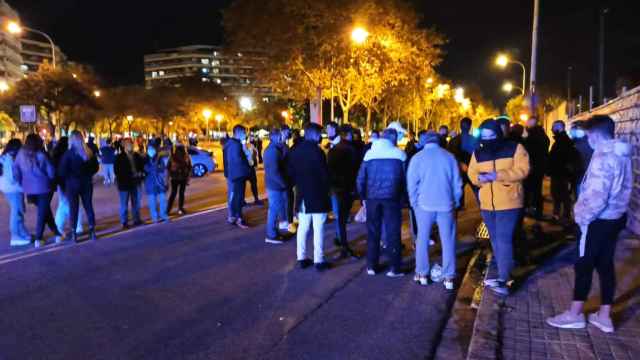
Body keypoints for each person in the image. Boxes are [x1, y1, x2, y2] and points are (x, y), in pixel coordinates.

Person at [546, 115, 632, 334]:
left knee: (583, 264)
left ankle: (574, 315)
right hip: (615, 217)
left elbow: (596, 197)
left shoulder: (604, 157)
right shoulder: (622, 153)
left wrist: (580, 216)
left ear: (596, 134)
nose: (587, 139)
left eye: (588, 135)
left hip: (597, 220)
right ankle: (604, 316)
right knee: (605, 264)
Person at [468, 119, 530, 295]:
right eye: (485, 136)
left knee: (503, 240)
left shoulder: (515, 148)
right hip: (487, 203)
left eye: (491, 135)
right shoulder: (478, 152)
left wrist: (498, 175)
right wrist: (479, 179)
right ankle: (503, 274)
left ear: (499, 134)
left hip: (510, 201)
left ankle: (506, 279)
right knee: (495, 239)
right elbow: (472, 173)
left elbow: (523, 170)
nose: (488, 139)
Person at [407, 131, 463, 289]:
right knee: (448, 240)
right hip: (446, 204)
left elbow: (412, 184)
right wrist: (456, 201)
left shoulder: (417, 158)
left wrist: (414, 203)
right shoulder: (449, 157)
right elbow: (457, 184)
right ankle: (449, 278)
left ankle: (422, 273)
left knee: (422, 239)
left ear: (424, 142)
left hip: (424, 205)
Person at [357, 124, 407, 278]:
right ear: (393, 138)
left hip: (372, 199)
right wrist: (404, 198)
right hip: (392, 199)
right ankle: (394, 268)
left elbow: (360, 179)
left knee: (373, 232)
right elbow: (406, 180)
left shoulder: (369, 155)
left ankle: (371, 266)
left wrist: (363, 197)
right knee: (393, 232)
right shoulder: (400, 155)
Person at [287, 123, 332, 271]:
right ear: (313, 134)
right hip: (317, 195)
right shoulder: (317, 152)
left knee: (303, 228)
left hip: (302, 195)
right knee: (318, 228)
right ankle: (319, 260)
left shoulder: (295, 151)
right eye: (319, 134)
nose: (320, 136)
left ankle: (301, 257)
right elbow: (324, 175)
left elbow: (290, 173)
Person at [13, 134, 63, 247]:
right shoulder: (41, 155)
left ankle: (57, 234)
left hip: (29, 189)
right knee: (42, 212)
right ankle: (39, 238)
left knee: (45, 211)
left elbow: (15, 169)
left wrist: (21, 181)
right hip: (43, 187)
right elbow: (51, 172)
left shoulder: (21, 154)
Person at [58, 130, 99, 242]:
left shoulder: (68, 153)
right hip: (86, 183)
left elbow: (61, 171)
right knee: (88, 206)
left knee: (73, 208)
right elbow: (96, 167)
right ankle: (92, 231)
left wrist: (66, 180)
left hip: (72, 184)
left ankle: (74, 233)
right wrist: (88, 173)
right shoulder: (89, 152)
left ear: (71, 140)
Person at [327, 124, 360, 259]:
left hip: (335, 188)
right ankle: (344, 245)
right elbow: (354, 170)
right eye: (351, 134)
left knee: (339, 217)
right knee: (342, 217)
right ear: (347, 134)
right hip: (346, 188)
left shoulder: (333, 150)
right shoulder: (351, 149)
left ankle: (341, 240)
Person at [547, 120, 579, 223]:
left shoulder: (562, 141)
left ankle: (563, 215)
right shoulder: (562, 140)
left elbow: (560, 158)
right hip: (560, 173)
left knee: (561, 195)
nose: (552, 129)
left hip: (560, 173)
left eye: (553, 127)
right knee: (559, 195)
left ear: (559, 128)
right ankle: (561, 215)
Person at [52, 137, 85, 238]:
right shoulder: (67, 154)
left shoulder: (56, 154)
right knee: (73, 204)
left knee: (64, 203)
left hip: (61, 183)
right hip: (68, 182)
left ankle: (61, 226)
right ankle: (76, 226)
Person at [0, 139, 31, 245]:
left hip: (7, 188)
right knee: (17, 212)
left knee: (18, 211)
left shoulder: (4, 157)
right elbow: (12, 178)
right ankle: (16, 237)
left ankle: (22, 233)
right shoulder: (10, 158)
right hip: (14, 189)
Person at [223, 125, 252, 228]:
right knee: (238, 197)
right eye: (244, 132)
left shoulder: (232, 143)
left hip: (235, 174)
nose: (246, 134)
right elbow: (237, 160)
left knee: (237, 197)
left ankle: (235, 217)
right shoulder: (235, 145)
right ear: (238, 133)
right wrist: (247, 169)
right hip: (238, 175)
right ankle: (239, 218)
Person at [263, 128, 288, 244]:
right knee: (273, 210)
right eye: (281, 136)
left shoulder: (276, 148)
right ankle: (271, 235)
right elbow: (274, 172)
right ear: (274, 137)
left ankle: (273, 232)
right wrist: (284, 184)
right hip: (275, 185)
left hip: (275, 184)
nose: (283, 138)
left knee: (275, 209)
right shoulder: (272, 151)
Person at [448, 117, 479, 208]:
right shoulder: (474, 140)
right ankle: (483, 207)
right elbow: (478, 155)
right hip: (472, 169)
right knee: (477, 190)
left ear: (460, 126)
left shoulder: (453, 140)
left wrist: (460, 164)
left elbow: (450, 156)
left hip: (458, 170)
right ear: (470, 127)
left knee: (458, 191)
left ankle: (458, 207)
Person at [114, 138, 144, 229]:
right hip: (124, 184)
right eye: (128, 144)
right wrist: (129, 174)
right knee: (124, 204)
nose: (130, 145)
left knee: (136, 202)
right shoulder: (119, 157)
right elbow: (117, 171)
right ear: (124, 146)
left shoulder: (136, 155)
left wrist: (140, 173)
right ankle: (124, 222)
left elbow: (141, 166)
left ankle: (136, 219)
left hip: (135, 182)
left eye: (131, 144)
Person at [523, 117, 550, 219]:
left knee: (531, 189)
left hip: (533, 167)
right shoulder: (543, 136)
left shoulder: (532, 137)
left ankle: (533, 209)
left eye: (528, 123)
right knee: (537, 189)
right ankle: (537, 209)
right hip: (540, 167)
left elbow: (528, 153)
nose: (526, 125)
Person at [143, 143, 169, 223]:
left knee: (163, 200)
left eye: (152, 149)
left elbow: (163, 169)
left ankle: (163, 215)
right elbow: (146, 169)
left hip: (160, 182)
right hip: (150, 183)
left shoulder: (160, 158)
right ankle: (154, 218)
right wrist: (155, 168)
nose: (151, 151)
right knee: (152, 202)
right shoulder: (145, 159)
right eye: (149, 149)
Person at [570, 120, 594, 196]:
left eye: (573, 128)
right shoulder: (575, 142)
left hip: (583, 177)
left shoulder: (587, 142)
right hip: (577, 177)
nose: (571, 130)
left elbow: (585, 161)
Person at [167, 144, 192, 216]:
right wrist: (188, 178)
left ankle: (168, 209)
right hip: (182, 178)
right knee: (181, 193)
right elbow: (190, 167)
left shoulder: (173, 157)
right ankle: (180, 208)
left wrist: (168, 178)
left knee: (173, 194)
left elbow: (168, 168)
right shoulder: (186, 157)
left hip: (175, 178)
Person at [245, 135, 262, 205]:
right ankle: (256, 199)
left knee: (253, 184)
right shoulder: (249, 146)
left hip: (249, 167)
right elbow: (255, 153)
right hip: (247, 167)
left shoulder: (250, 146)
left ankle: (256, 199)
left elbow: (255, 153)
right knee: (252, 184)